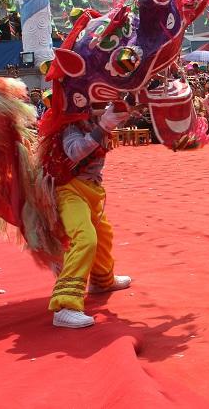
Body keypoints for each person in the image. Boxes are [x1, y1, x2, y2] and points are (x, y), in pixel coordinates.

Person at [40, 102, 132, 329]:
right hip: (68, 189)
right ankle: (66, 306)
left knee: (104, 235)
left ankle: (102, 281)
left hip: (92, 189)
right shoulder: (70, 123)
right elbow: (74, 151)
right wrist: (104, 125)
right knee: (84, 238)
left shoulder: (99, 113)